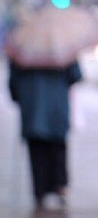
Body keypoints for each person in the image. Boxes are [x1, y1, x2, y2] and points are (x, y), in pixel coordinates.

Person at [8, 59, 82, 207]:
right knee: (58, 145)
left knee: (36, 148)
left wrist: (19, 95)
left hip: (32, 103)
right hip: (57, 102)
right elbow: (75, 74)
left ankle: (40, 188)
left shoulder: (22, 45)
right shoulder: (62, 45)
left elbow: (13, 82)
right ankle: (60, 183)